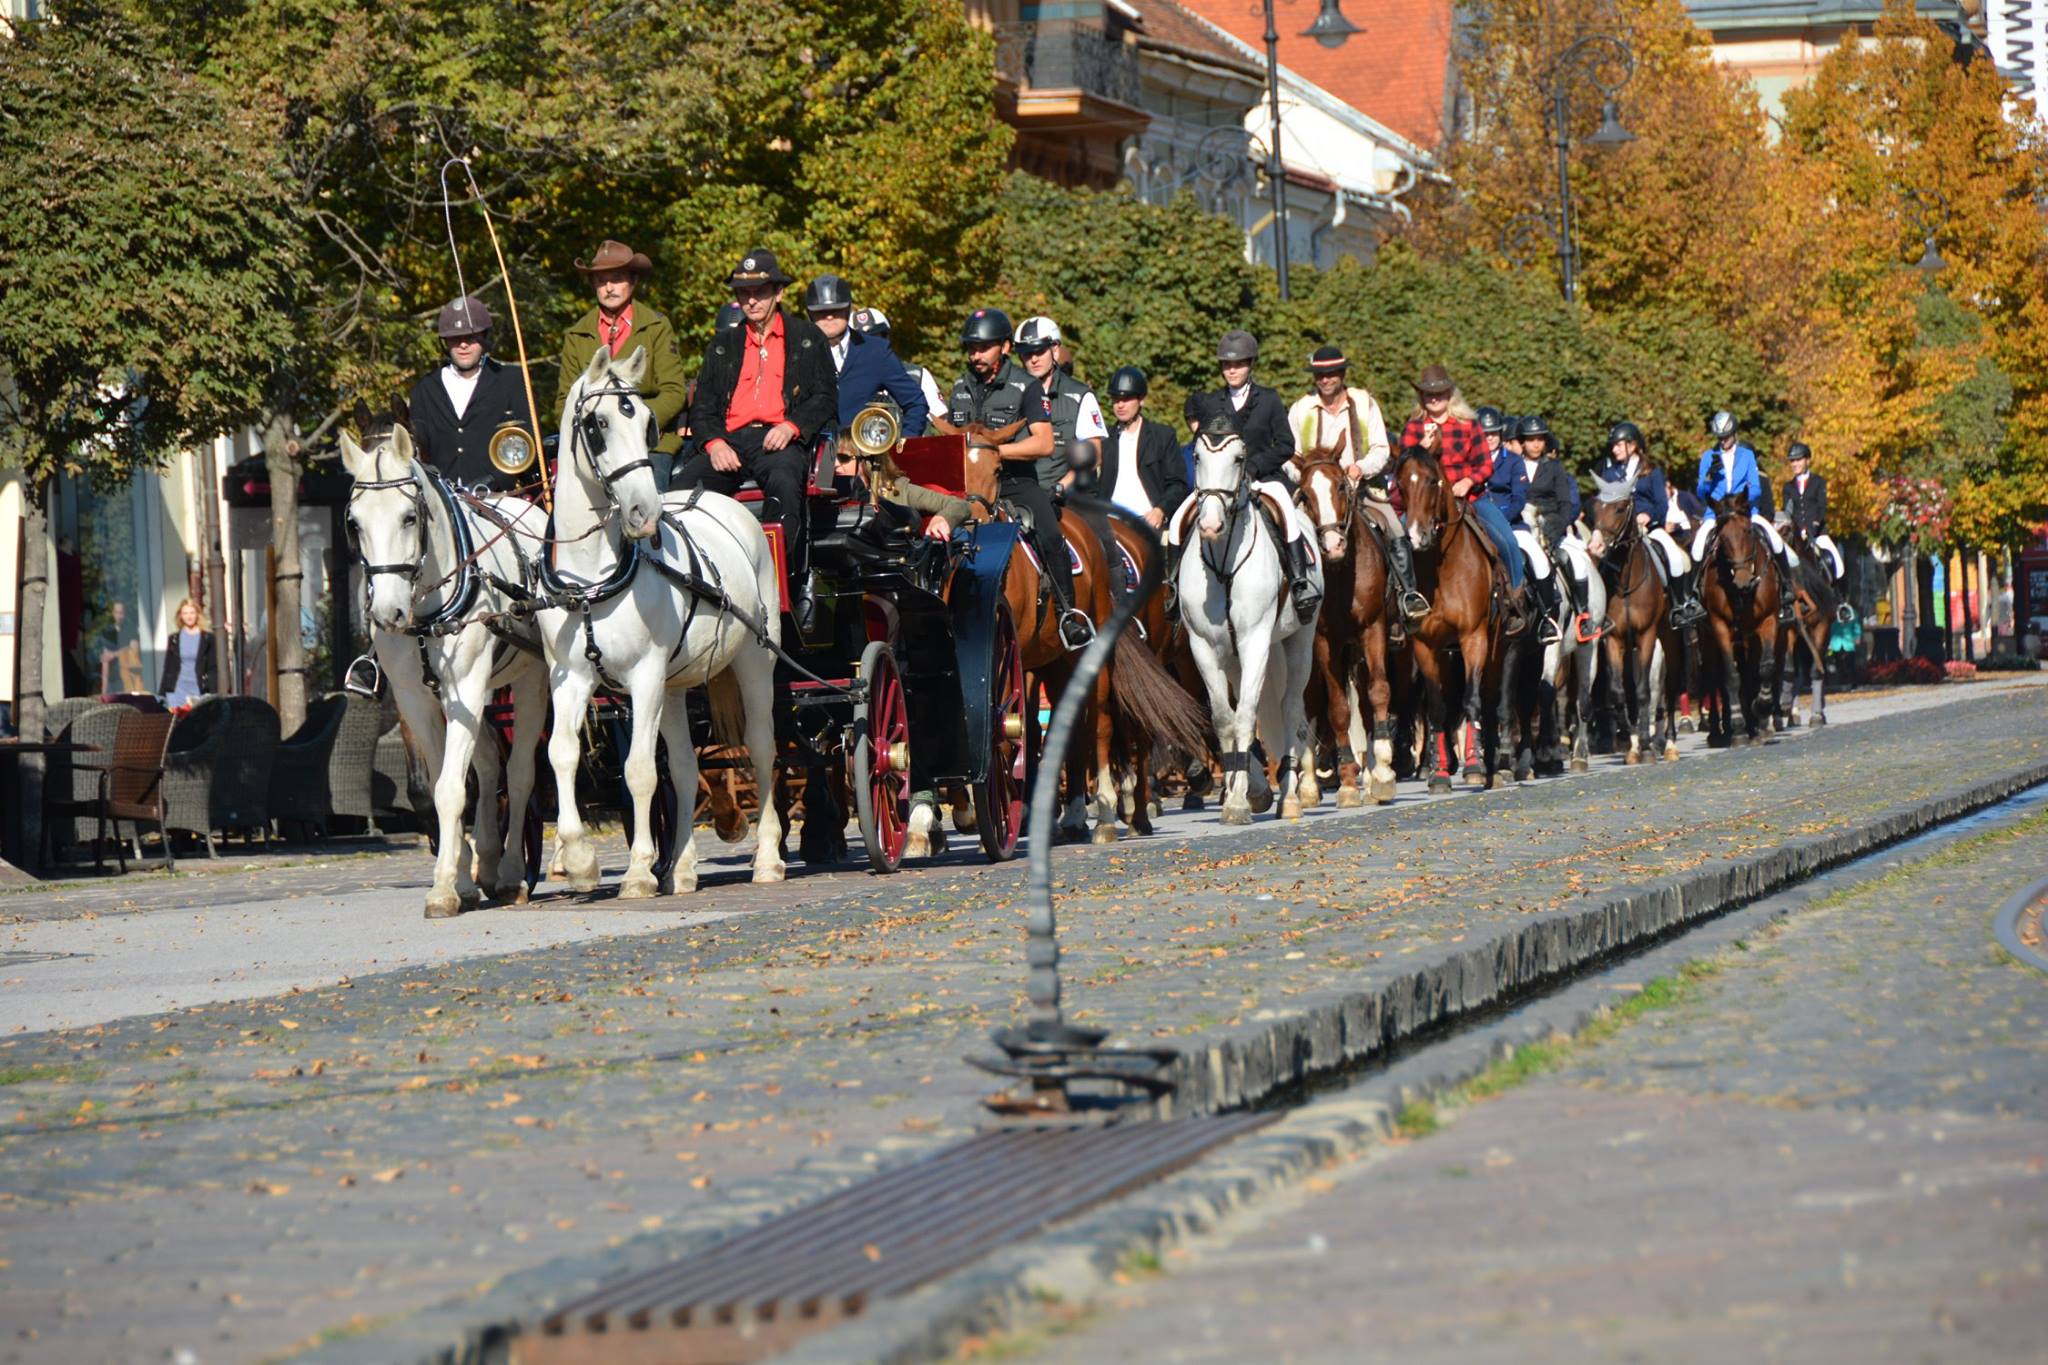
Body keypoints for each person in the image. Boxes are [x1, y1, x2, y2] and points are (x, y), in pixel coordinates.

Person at [677, 248, 838, 631]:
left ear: (778, 293)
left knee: (784, 483)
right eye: (743, 293)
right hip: (730, 442)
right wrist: (714, 444)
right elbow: (702, 409)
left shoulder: (806, 337)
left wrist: (792, 426)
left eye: (760, 292)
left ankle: (780, 590)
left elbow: (825, 397)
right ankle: (693, 588)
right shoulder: (722, 345)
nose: (751, 300)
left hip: (779, 438)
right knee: (680, 492)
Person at [946, 308, 1093, 651]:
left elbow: (1042, 442)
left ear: (1005, 347)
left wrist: (994, 453)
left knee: (1051, 534)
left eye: (983, 347)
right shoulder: (959, 386)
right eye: (971, 347)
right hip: (968, 486)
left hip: (1015, 482)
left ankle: (1068, 615)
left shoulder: (1025, 387)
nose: (975, 355)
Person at [1185, 329, 1320, 617]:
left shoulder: (1269, 399)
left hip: (1262, 478)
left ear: (1251, 365)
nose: (1231, 370)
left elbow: (1286, 444)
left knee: (1286, 511)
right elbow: (1201, 441)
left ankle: (1300, 581)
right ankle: (1173, 586)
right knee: (1179, 519)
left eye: (1238, 364)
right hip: (1221, 483)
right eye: (1226, 365)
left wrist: (1255, 467)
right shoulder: (1212, 403)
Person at [553, 239, 688, 487]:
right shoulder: (577, 334)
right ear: (593, 284)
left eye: (617, 279)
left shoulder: (656, 327)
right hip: (592, 447)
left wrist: (638, 422)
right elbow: (564, 401)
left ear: (633, 281)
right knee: (558, 519)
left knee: (647, 512)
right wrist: (594, 432)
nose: (609, 287)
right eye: (601, 281)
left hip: (649, 443)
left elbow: (674, 391)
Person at [1398, 365, 1526, 606]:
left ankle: (1515, 596)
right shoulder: (1413, 427)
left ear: (1450, 394)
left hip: (1472, 500)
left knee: (1506, 540)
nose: (1434, 398)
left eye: (1440, 392)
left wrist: (1468, 481)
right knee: (1398, 542)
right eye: (1428, 394)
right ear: (1421, 397)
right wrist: (1419, 450)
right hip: (1425, 503)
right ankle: (1404, 600)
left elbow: (1485, 464)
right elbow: (1403, 467)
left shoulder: (1468, 424)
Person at [405, 296, 545, 493]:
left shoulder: (512, 380)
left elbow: (530, 441)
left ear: (484, 337)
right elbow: (417, 453)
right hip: (444, 503)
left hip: (503, 498)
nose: (463, 345)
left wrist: (494, 480)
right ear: (444, 342)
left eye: (471, 337)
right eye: (455, 338)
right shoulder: (424, 390)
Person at [1595, 420, 1702, 627]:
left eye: (1618, 445)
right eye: (1613, 446)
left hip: (1649, 528)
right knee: (1601, 562)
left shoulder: (1651, 471)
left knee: (1676, 557)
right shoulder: (1609, 474)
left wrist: (1647, 516)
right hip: (1618, 532)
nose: (1614, 449)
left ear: (1632, 445)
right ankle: (1603, 612)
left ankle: (1681, 605)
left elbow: (1661, 504)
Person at [1692, 410, 1797, 620]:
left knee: (1775, 540)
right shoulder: (1707, 457)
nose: (1723, 441)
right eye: (1720, 438)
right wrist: (1708, 478)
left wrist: (1741, 498)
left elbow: (1756, 488)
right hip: (1717, 513)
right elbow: (1701, 493)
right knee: (1697, 546)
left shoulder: (1747, 456)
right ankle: (1693, 597)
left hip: (1745, 511)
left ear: (1734, 433)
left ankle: (1786, 588)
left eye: (1726, 437)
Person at [804, 275, 929, 438]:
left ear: (848, 309)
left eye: (836, 310)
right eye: (821, 312)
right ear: (810, 314)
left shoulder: (875, 351)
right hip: (806, 456)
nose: (829, 316)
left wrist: (901, 446)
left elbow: (916, 403)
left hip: (863, 455)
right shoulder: (796, 350)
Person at [1509, 416, 1587, 644]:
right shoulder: (1513, 465)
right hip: (1521, 524)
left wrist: (1556, 527)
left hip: (1551, 526)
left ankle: (1583, 615)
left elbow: (1565, 503)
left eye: (1539, 439)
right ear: (1522, 442)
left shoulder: (1554, 468)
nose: (1535, 444)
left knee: (1578, 562)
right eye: (1530, 440)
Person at [1011, 317, 1106, 491]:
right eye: (1026, 353)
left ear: (1054, 349)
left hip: (1069, 497)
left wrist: (1060, 487)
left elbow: (1095, 453)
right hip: (1022, 493)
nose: (1033, 359)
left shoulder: (1080, 395)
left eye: (1039, 351)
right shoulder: (1010, 393)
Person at [1098, 367, 1188, 530]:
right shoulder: (1104, 438)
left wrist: (1161, 510)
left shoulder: (1162, 436)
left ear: (1141, 400)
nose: (1120, 405)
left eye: (1127, 399)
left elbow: (1178, 483)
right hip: (1109, 523)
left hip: (1148, 523)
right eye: (1116, 399)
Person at [851, 306, 947, 419]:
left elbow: (944, 424)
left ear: (887, 339)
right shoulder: (842, 383)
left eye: (875, 340)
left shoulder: (916, 376)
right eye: (861, 343)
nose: (869, 348)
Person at [1780, 442, 1843, 579]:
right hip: (1796, 535)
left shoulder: (1819, 482)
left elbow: (1821, 507)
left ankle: (1838, 596)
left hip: (1817, 533)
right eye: (1792, 461)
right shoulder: (1788, 487)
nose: (1795, 464)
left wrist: (1811, 528)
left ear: (1807, 460)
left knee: (1835, 563)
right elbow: (1787, 511)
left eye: (1798, 460)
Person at [158, 598, 216, 708]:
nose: (189, 616)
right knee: (178, 723)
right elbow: (168, 669)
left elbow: (213, 667)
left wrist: (212, 691)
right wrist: (161, 694)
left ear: (197, 615)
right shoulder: (174, 639)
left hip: (199, 690)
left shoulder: (208, 638)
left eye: (192, 613)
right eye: (185, 613)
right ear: (180, 616)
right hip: (177, 691)